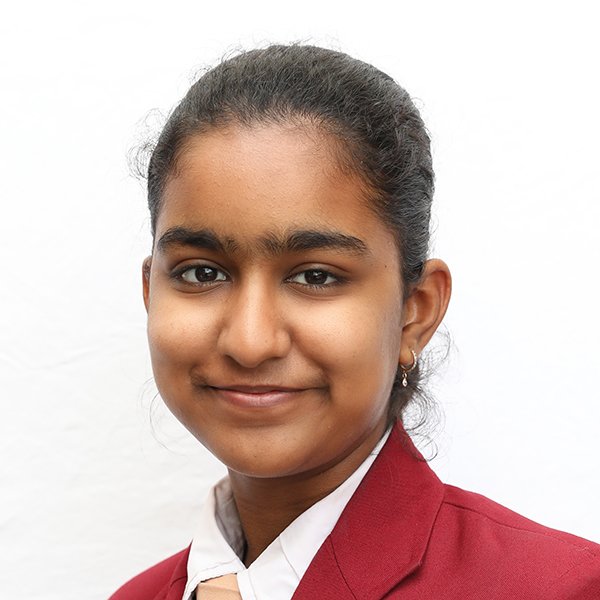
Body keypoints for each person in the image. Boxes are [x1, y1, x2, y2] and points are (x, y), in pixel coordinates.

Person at [110, 44, 600, 599]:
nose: (250, 341)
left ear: (416, 312)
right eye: (202, 273)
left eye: (315, 276)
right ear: (150, 293)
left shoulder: (559, 588)